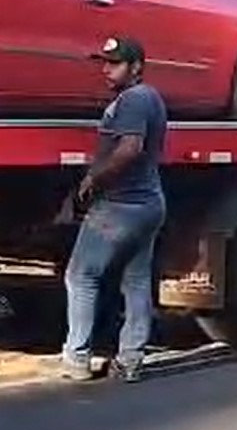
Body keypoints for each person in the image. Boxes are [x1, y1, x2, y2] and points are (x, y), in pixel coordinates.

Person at [56, 36, 169, 383]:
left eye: (115, 63)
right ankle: (131, 360)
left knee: (81, 276)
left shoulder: (133, 99)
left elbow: (130, 148)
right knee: (135, 281)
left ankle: (76, 358)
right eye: (105, 63)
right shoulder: (151, 98)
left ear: (136, 67)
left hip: (121, 206)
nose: (106, 69)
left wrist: (93, 179)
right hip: (149, 203)